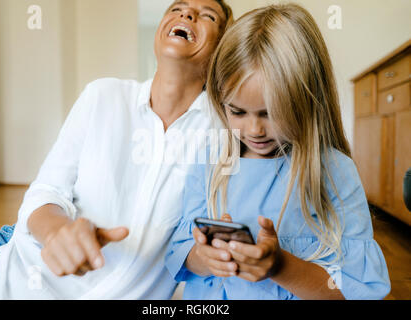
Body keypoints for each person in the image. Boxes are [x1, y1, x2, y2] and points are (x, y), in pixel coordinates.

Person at [0, 0, 233, 299]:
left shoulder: (224, 129)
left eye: (208, 15)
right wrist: (56, 233)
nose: (187, 14)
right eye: (176, 8)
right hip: (6, 271)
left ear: (222, 49)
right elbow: (47, 190)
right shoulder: (103, 95)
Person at [165, 4, 391, 300]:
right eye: (237, 111)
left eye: (271, 113)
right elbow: (181, 254)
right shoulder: (210, 162)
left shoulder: (334, 171)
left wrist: (281, 267)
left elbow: (352, 291)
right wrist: (204, 258)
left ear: (308, 99)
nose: (255, 130)